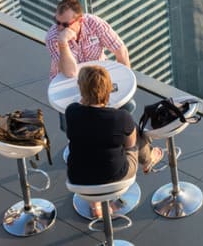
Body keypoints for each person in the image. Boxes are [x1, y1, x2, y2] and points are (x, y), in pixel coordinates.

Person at [64, 64, 165, 218]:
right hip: (116, 178)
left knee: (89, 150)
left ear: (81, 89)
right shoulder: (121, 117)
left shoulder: (71, 112)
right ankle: (148, 160)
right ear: (109, 89)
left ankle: (95, 205)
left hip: (78, 180)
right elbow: (131, 146)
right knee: (135, 132)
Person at [46, 0, 130, 80]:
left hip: (97, 75)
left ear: (80, 21)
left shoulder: (95, 24)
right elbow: (70, 72)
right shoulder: (52, 38)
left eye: (65, 25)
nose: (60, 28)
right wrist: (63, 42)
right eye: (57, 22)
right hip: (66, 80)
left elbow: (121, 51)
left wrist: (124, 80)